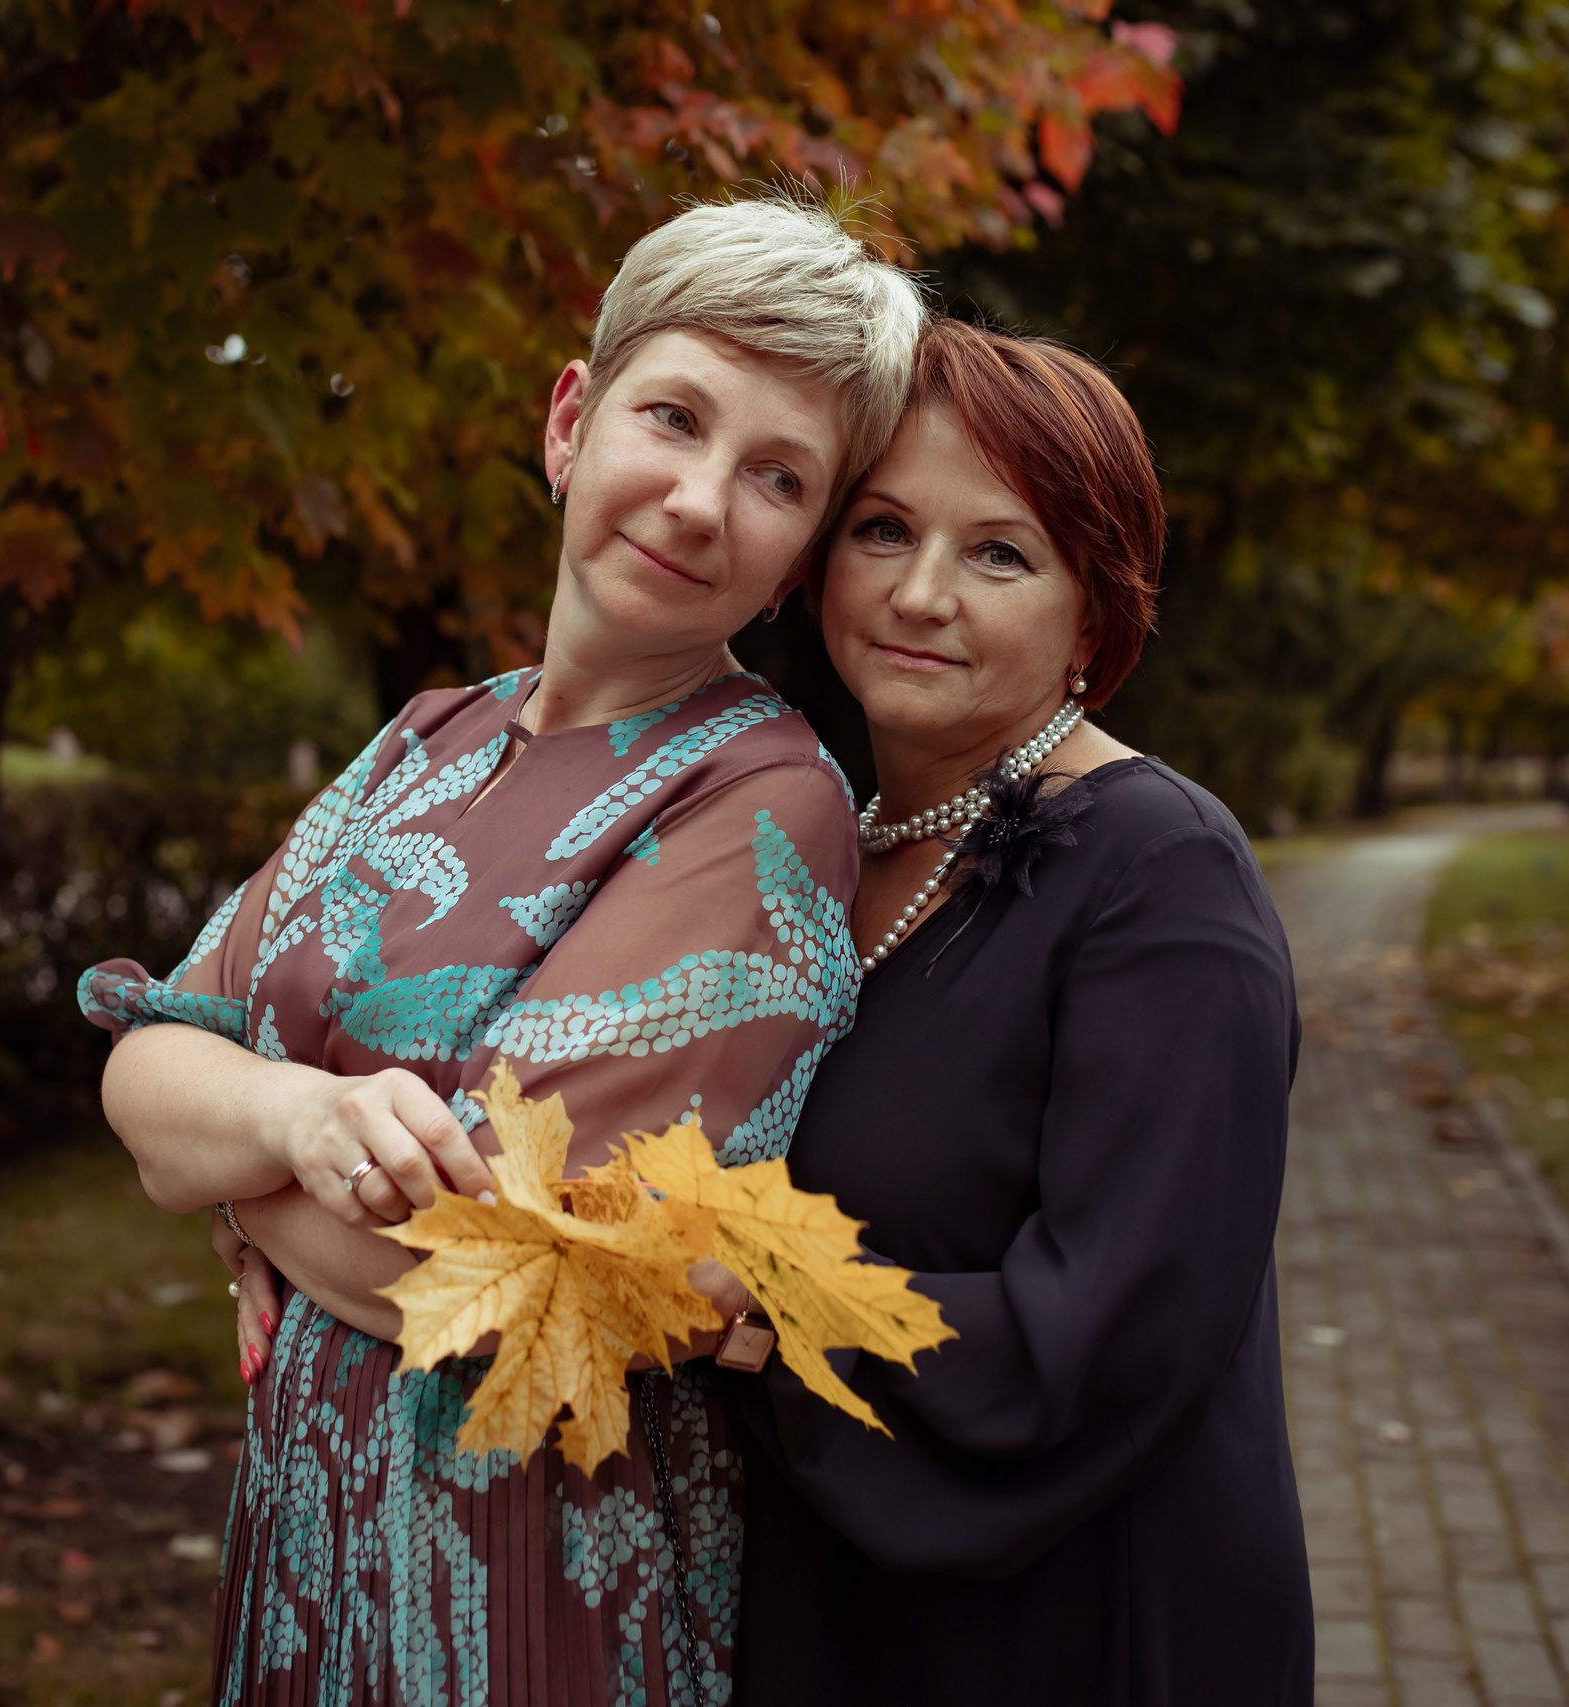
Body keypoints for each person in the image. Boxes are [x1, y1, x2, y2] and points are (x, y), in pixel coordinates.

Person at [80, 195, 925, 1706]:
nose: (696, 500)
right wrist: (297, 1121)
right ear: (569, 420)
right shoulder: (428, 737)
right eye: (673, 417)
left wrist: (242, 1200)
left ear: (800, 553)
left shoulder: (759, 801)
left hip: (531, 1591)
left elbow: (487, 1286)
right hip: (303, 1544)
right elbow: (147, 1076)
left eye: (777, 476)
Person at [724, 318, 1313, 1703]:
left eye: (1000, 553)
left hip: (1073, 1613)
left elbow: (1115, 1330)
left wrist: (773, 1310)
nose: (923, 592)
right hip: (845, 1587)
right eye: (883, 530)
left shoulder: (1163, 877)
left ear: (1092, 622)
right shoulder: (827, 841)